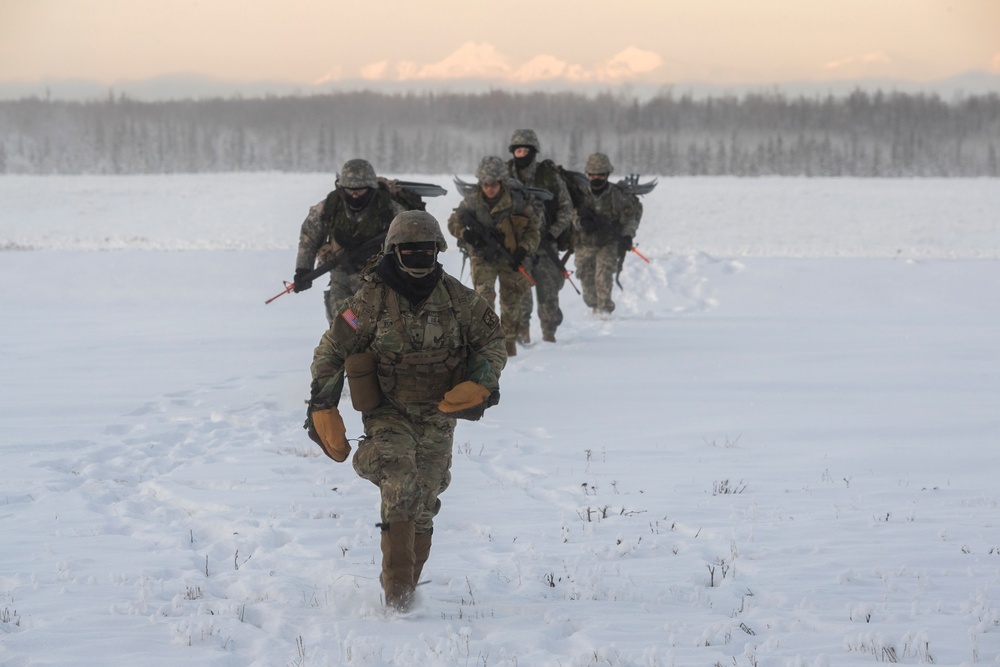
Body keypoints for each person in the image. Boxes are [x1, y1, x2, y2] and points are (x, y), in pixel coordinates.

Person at [305, 210, 507, 612]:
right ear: (393, 251)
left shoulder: (458, 299)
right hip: (388, 412)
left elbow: (492, 342)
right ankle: (397, 596)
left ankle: (408, 584)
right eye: (410, 249)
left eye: (426, 249)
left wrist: (482, 382)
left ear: (438, 251)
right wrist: (323, 407)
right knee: (400, 483)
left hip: (438, 412)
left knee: (425, 499)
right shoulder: (367, 300)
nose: (419, 255)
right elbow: (331, 352)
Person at [292, 158, 409, 324]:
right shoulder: (329, 207)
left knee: (379, 334)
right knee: (342, 332)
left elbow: (408, 238)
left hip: (379, 283)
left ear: (371, 187)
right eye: (349, 189)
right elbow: (308, 237)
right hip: (341, 282)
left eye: (360, 190)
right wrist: (303, 270)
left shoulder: (389, 209)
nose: (354, 194)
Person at [447, 155, 542, 357]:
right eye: (486, 184)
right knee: (483, 301)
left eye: (494, 184)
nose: (490, 189)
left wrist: (524, 249)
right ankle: (487, 346)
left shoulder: (517, 203)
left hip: (511, 258)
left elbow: (533, 231)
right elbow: (453, 222)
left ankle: (509, 346)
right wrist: (466, 234)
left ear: (501, 182)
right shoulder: (472, 202)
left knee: (511, 303)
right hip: (482, 259)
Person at [506, 129, 574, 344]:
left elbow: (566, 208)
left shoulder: (549, 175)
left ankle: (549, 335)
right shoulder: (504, 176)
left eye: (526, 150)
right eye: (518, 150)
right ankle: (522, 334)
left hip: (546, 245)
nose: (522, 154)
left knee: (548, 292)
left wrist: (552, 233)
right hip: (518, 245)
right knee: (520, 292)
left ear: (533, 151)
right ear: (513, 152)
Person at [572, 153, 642, 316]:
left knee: (603, 278)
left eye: (601, 175)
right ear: (588, 175)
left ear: (607, 175)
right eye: (593, 175)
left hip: (608, 243)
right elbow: (570, 214)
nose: (596, 178)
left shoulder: (617, 195)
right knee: (588, 291)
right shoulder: (580, 194)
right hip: (585, 245)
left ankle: (604, 312)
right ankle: (595, 308)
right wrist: (582, 223)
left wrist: (627, 236)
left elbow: (629, 219)